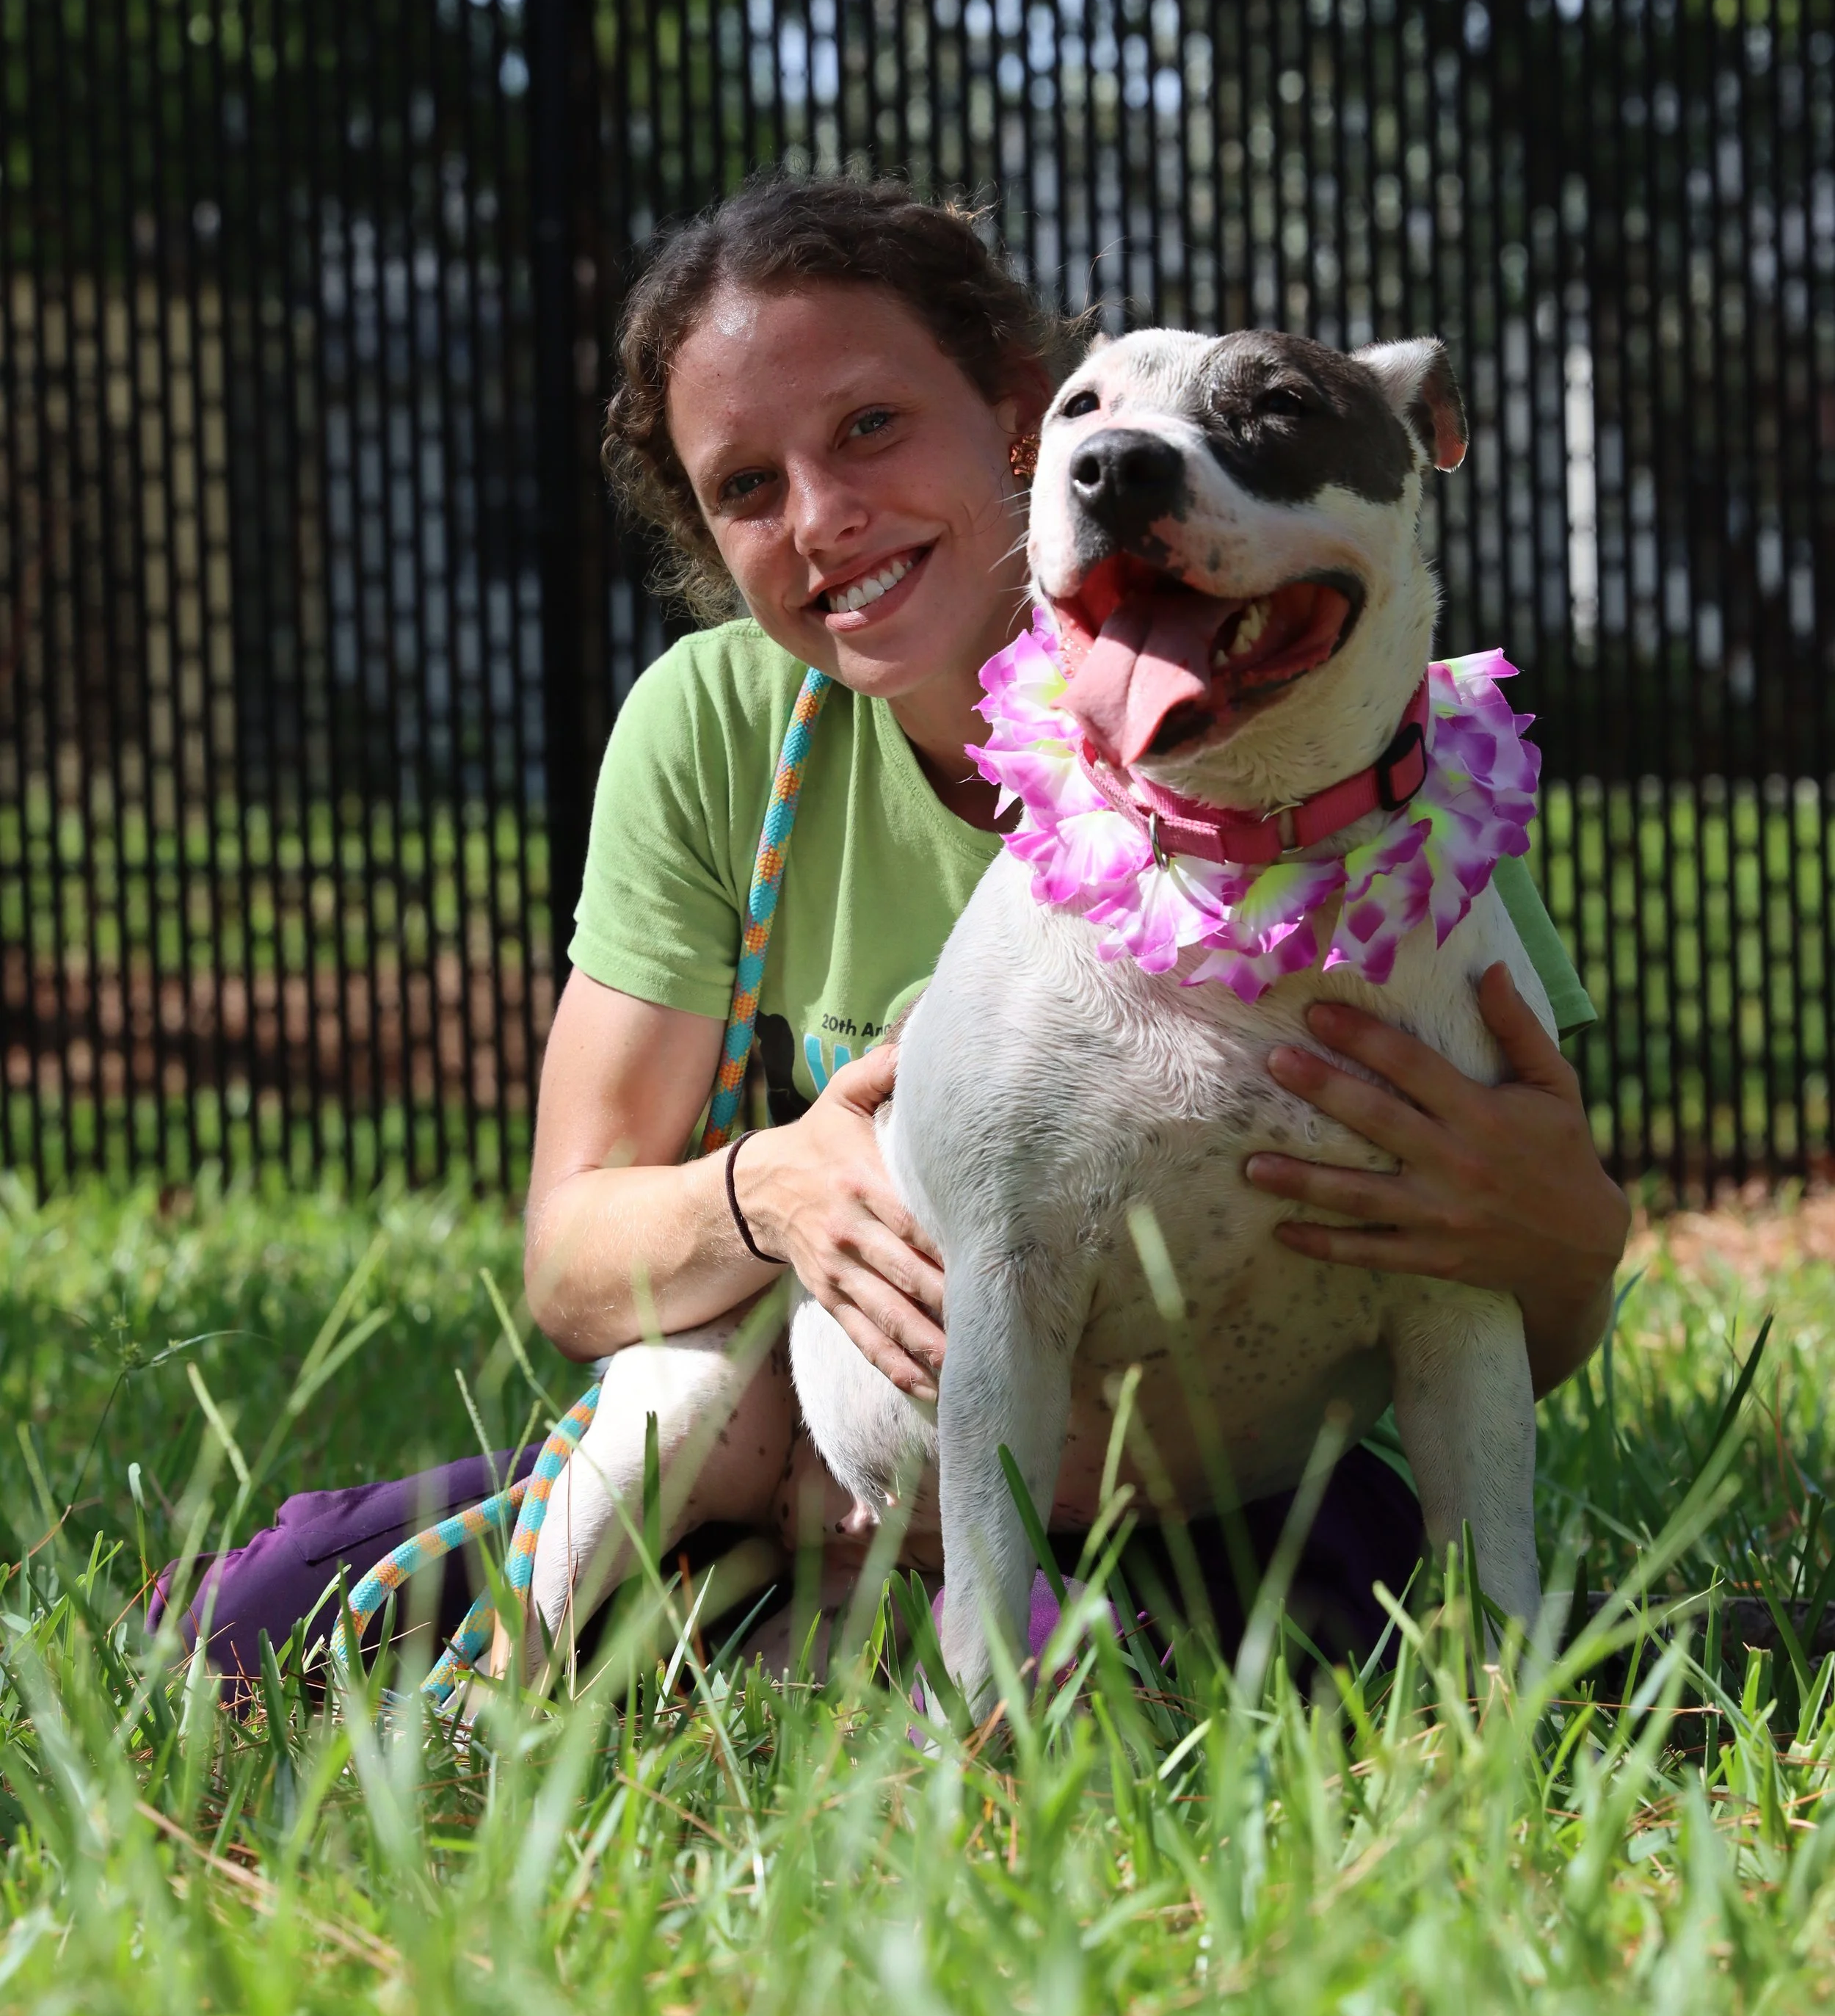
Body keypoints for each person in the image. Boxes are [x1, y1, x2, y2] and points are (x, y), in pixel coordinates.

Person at [151, 177, 1630, 1688]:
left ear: (1015, 420)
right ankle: (766, 1631)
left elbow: (1509, 1300)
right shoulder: (717, 725)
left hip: (1214, 1485)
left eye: (867, 427)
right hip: (803, 1427)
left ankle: (847, 1657)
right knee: (264, 1626)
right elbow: (571, 1261)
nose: (820, 517)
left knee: (1284, 1658)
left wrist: (1572, 1237)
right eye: (742, 487)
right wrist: (772, 1187)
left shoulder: (1358, 773)